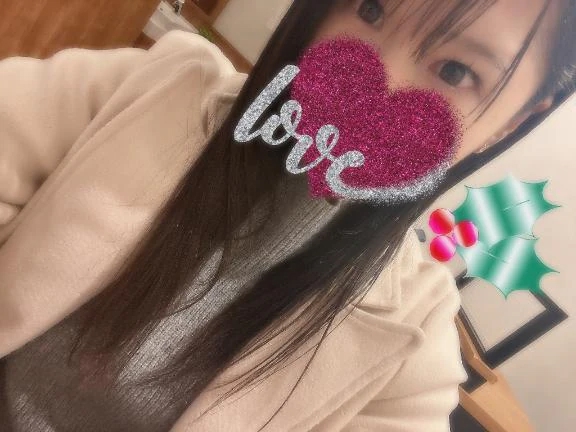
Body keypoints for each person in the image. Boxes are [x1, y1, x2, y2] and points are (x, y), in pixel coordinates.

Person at [0, 0, 573, 430]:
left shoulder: (415, 349)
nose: (382, 78)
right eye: (371, 9)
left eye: (455, 71)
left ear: (512, 124)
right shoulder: (142, 87)